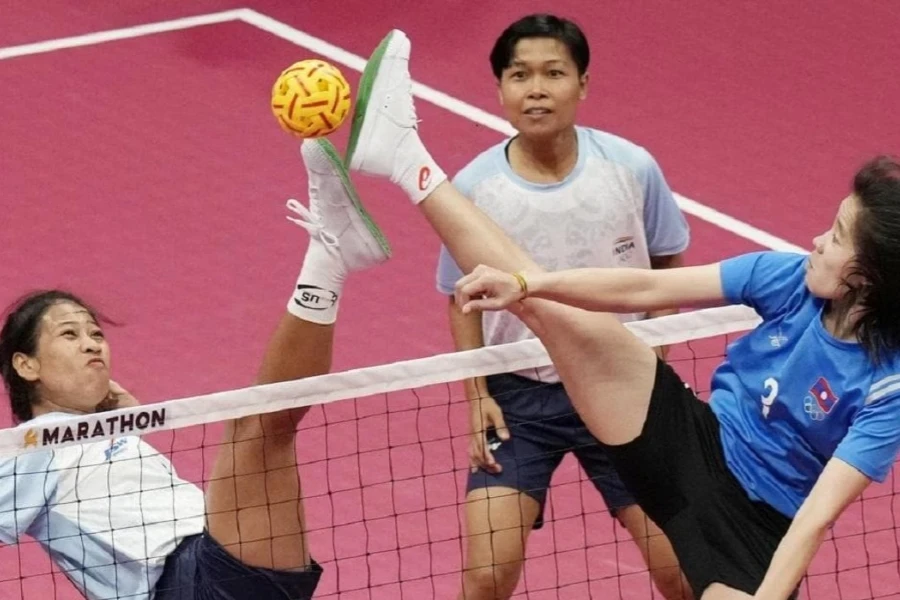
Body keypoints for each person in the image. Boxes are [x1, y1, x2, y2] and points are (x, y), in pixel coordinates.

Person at [343, 28, 900, 599]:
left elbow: (817, 517)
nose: (815, 240)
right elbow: (638, 287)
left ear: (868, 276)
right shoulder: (787, 277)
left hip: (754, 532)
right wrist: (529, 282)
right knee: (546, 306)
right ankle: (405, 157)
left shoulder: (889, 387)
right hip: (687, 440)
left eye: (833, 238)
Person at [0, 137, 390, 600]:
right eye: (69, 335)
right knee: (259, 427)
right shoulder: (32, 450)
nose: (92, 345)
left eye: (96, 334)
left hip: (213, 554)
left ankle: (331, 255)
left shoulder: (103, 432)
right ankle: (329, 255)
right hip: (183, 582)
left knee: (267, 427)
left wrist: (118, 424)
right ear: (25, 365)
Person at [433, 14, 690, 599]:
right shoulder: (472, 189)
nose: (537, 89)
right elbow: (462, 300)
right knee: (485, 576)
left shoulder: (631, 169)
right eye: (520, 75)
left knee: (682, 568)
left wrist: (655, 362)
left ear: (583, 83)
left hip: (620, 381)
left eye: (554, 73)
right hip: (517, 399)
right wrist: (477, 400)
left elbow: (668, 264)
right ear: (500, 89)